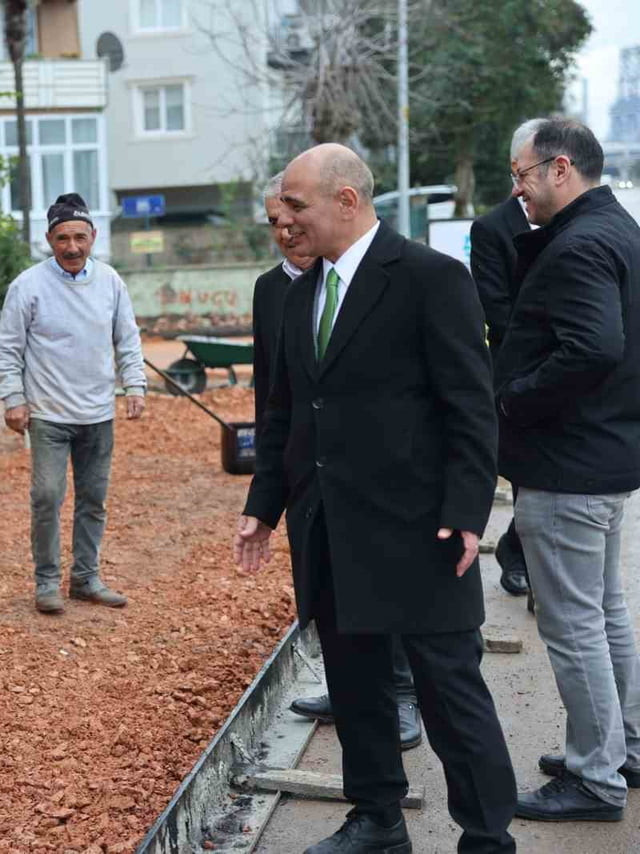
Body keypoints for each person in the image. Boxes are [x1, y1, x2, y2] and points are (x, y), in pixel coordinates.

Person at [236, 145, 516, 854]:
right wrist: (264, 507)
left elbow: (471, 409)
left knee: (451, 695)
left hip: (422, 532)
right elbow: (285, 413)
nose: (285, 220)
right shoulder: (299, 294)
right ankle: (376, 820)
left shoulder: (429, 278)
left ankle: (487, 835)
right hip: (331, 527)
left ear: (347, 202)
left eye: (296, 205)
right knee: (357, 688)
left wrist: (464, 514)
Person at [498, 117, 640, 822]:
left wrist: (511, 402)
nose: (515, 190)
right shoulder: (620, 231)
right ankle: (622, 748)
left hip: (566, 463)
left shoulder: (581, 244)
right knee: (604, 613)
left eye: (520, 174)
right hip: (606, 455)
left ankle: (594, 777)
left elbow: (592, 348)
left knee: (574, 624)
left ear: (559, 169)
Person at [254, 172, 422, 751]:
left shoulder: (389, 281)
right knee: (329, 599)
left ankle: (400, 697)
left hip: (375, 483)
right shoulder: (275, 291)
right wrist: (269, 486)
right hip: (310, 476)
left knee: (381, 601)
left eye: (293, 215)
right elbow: (271, 393)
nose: (286, 230)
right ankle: (346, 689)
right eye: (275, 222)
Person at [0, 193, 146, 615]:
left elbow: (127, 339)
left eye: (80, 237)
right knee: (46, 495)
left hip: (98, 412)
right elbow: (8, 348)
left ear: (93, 236)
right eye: (63, 238)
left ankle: (85, 577)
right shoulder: (28, 286)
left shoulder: (111, 282)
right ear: (49, 239)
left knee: (93, 499)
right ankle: (46, 582)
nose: (73, 247)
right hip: (48, 414)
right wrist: (13, 398)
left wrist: (135, 385)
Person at [469, 119, 543, 599]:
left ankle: (525, 552)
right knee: (527, 474)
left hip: (577, 364)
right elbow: (494, 307)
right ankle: (527, 565)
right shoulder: (492, 229)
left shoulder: (580, 221)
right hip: (521, 369)